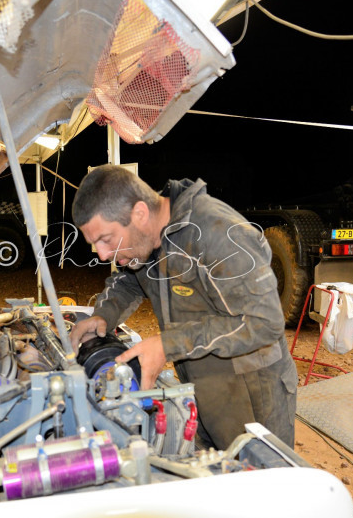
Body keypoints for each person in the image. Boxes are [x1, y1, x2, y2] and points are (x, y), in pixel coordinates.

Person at [69, 164, 297, 449]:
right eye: (96, 244)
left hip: (253, 393)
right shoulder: (148, 238)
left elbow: (264, 322)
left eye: (106, 239)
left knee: (256, 472)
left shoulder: (217, 233)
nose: (103, 255)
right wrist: (104, 315)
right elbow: (129, 281)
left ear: (139, 213)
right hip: (201, 385)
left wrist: (168, 344)